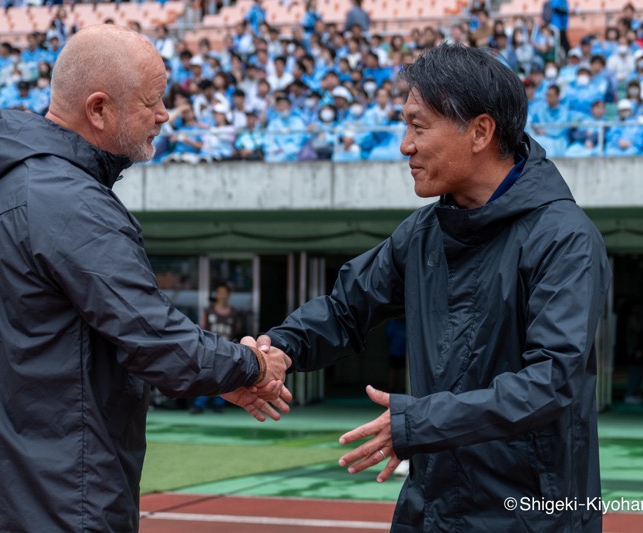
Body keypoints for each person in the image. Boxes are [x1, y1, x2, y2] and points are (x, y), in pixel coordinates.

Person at [0, 25, 292, 533]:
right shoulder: (71, 202)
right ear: (99, 109)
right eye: (152, 101)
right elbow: (155, 338)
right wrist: (251, 365)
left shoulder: (12, 186)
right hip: (58, 498)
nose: (164, 115)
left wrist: (225, 375)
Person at [254, 44, 610, 531]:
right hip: (431, 510)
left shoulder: (563, 238)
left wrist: (415, 424)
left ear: (481, 131)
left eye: (418, 126)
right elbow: (344, 309)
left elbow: (551, 381)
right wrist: (272, 353)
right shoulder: (422, 234)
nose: (405, 145)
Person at [191, 283, 244, 414]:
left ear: (228, 295)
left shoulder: (233, 314)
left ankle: (219, 404)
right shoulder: (208, 311)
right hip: (209, 349)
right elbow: (201, 329)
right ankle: (199, 404)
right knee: (205, 376)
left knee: (224, 377)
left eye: (224, 292)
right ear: (216, 294)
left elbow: (237, 331)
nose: (222, 295)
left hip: (227, 350)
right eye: (219, 292)